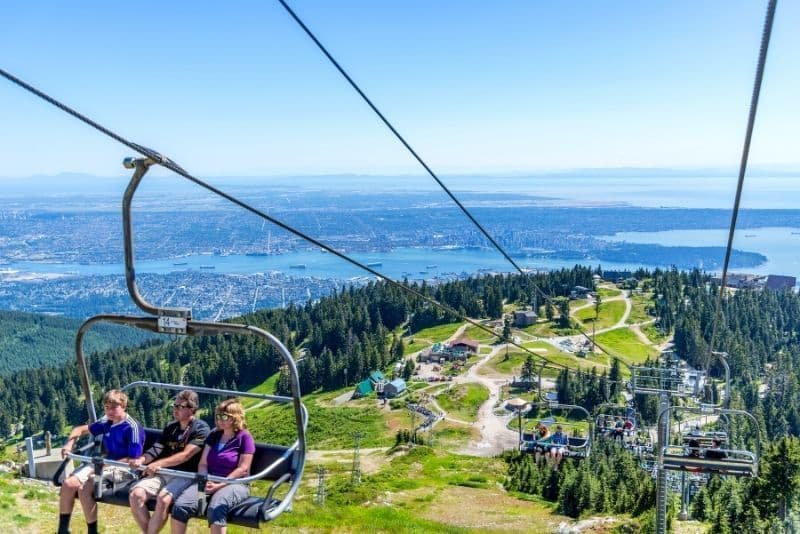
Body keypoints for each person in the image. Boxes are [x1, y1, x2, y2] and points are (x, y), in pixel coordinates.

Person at [59, 389, 145, 534]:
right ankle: (62, 529)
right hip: (104, 462)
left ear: (123, 406)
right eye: (106, 407)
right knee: (68, 484)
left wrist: (104, 465)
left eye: (114, 407)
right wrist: (69, 444)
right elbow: (80, 429)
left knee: (86, 486)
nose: (109, 411)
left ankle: (92, 531)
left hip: (125, 468)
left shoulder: (132, 427)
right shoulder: (107, 422)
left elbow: (133, 459)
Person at [128, 390, 211, 534]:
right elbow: (156, 450)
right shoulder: (171, 427)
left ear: (192, 409)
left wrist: (159, 464)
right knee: (136, 495)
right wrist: (141, 459)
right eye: (174, 405)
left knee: (163, 499)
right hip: (163, 472)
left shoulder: (201, 429)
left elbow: (186, 455)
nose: (175, 409)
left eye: (180, 406)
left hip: (185, 474)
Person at [170, 399, 255, 534]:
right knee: (181, 506)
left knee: (216, 508)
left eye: (224, 416)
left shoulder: (244, 437)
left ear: (235, 418)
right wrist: (204, 479)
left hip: (235, 483)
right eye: (218, 416)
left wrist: (220, 485)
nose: (220, 420)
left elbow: (243, 468)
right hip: (210, 481)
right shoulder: (214, 434)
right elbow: (203, 463)